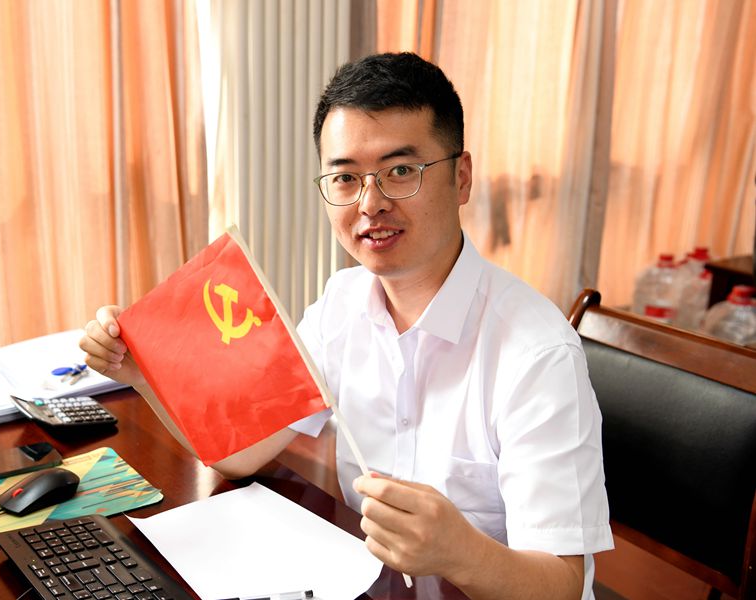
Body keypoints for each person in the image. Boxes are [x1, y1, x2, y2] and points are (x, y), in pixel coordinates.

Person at [81, 52, 613, 599]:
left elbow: (563, 586)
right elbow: (241, 452)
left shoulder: (537, 355)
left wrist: (461, 552)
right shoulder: (342, 303)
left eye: (401, 171)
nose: (370, 204)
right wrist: (141, 373)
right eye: (345, 178)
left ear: (461, 177)